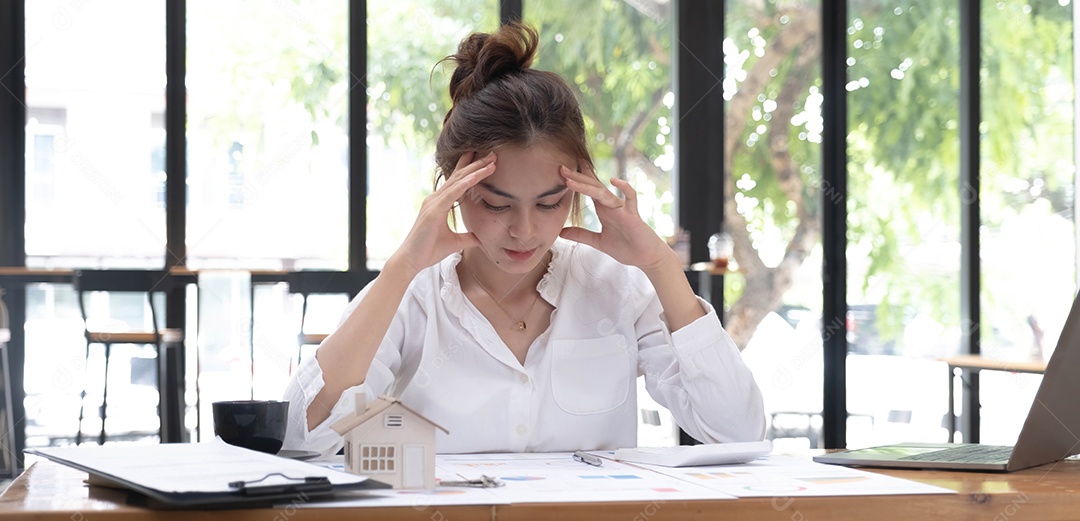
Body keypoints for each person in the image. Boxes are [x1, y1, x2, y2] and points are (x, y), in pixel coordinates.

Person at [282, 22, 765, 457]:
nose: (525, 230)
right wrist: (400, 269)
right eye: (496, 204)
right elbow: (301, 436)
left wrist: (661, 266)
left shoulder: (615, 286)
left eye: (550, 203)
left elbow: (738, 431)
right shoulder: (413, 294)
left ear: (579, 188)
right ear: (453, 187)